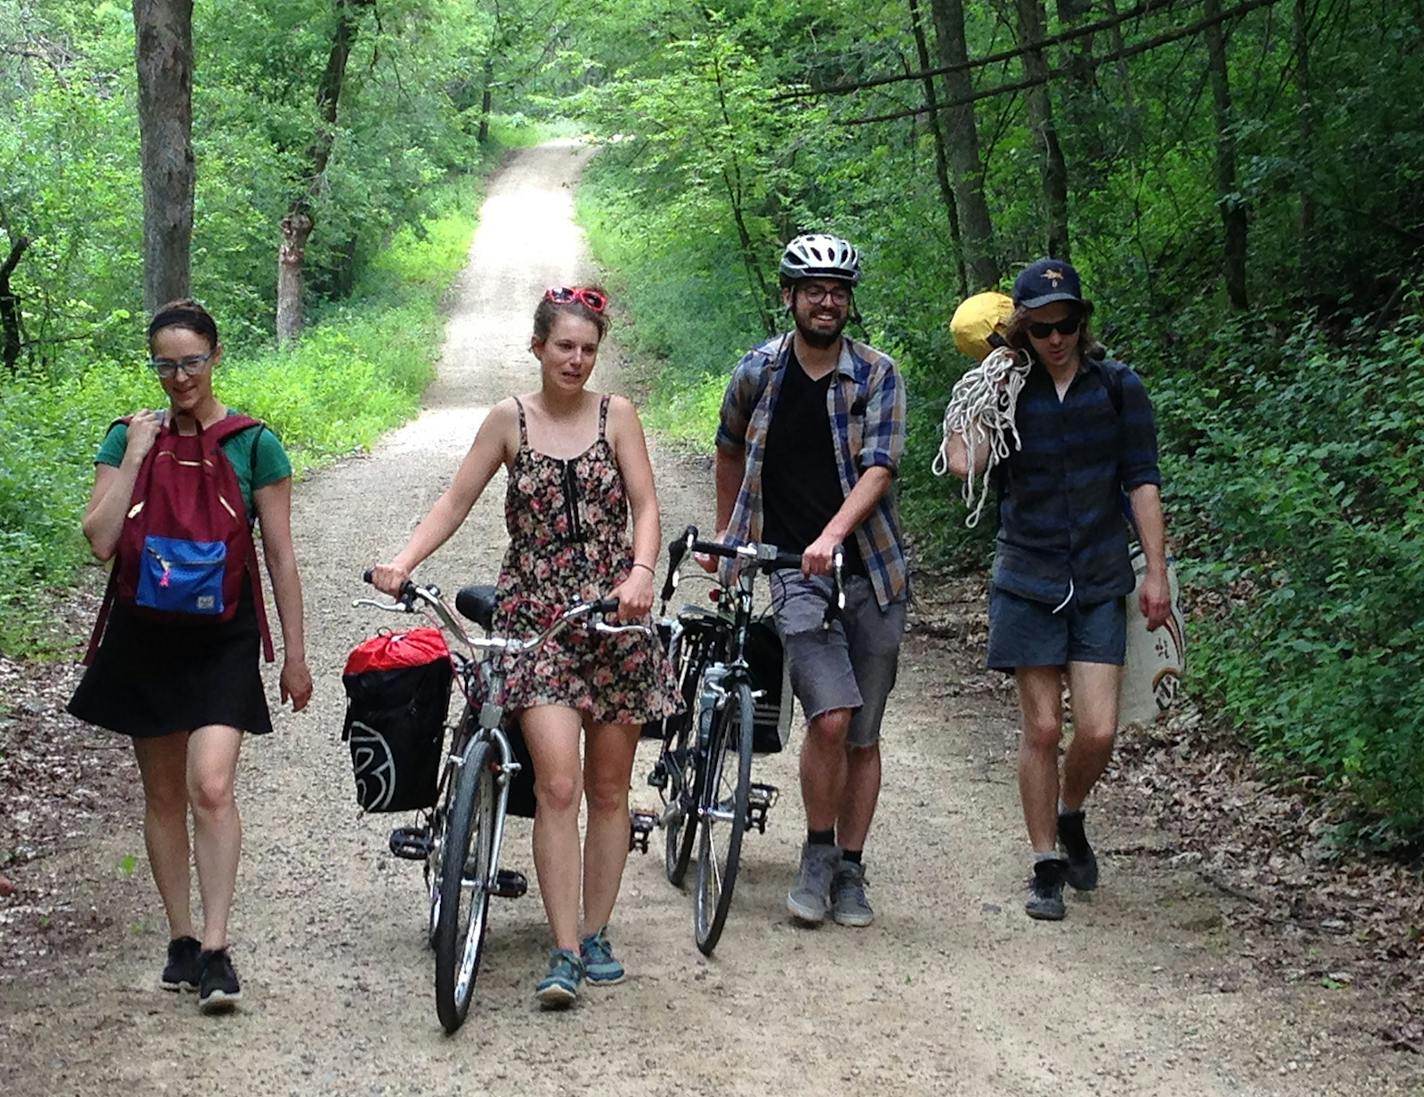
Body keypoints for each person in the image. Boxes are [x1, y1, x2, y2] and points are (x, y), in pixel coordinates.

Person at [370, 286, 678, 1008]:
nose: (576, 359)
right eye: (564, 345)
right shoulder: (509, 420)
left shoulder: (618, 416)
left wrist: (640, 571)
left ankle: (596, 931)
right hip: (538, 617)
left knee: (608, 791)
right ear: (538, 346)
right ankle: (564, 948)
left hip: (614, 617)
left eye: (588, 348)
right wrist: (403, 561)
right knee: (558, 784)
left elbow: (646, 506)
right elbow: (455, 500)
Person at [68, 298, 313, 1011]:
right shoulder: (125, 437)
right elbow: (101, 539)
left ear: (215, 356)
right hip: (146, 633)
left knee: (211, 785)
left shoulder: (253, 443)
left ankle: (215, 946)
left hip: (223, 636)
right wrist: (137, 453)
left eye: (192, 361)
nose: (179, 377)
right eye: (166, 364)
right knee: (164, 794)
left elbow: (281, 554)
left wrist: (295, 654)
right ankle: (179, 940)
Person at [943, 259, 1170, 920]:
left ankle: (1071, 813)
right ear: (1021, 330)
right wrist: (982, 390)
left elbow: (1143, 481)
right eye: (1040, 329)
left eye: (1066, 324)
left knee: (1096, 730)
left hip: (1099, 575)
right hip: (1026, 574)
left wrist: (1156, 571)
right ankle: (1045, 862)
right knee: (1042, 726)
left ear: (1082, 320)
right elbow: (964, 463)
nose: (1056, 339)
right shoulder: (1007, 389)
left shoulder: (1119, 387)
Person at [711, 233, 908, 929]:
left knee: (863, 730)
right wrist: (731, 536)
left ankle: (852, 867)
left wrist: (835, 533)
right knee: (829, 715)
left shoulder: (878, 375)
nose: (827, 301)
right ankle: (818, 852)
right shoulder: (759, 371)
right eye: (813, 289)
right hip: (792, 569)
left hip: (872, 567)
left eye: (838, 290)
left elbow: (880, 468)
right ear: (789, 296)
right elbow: (729, 447)